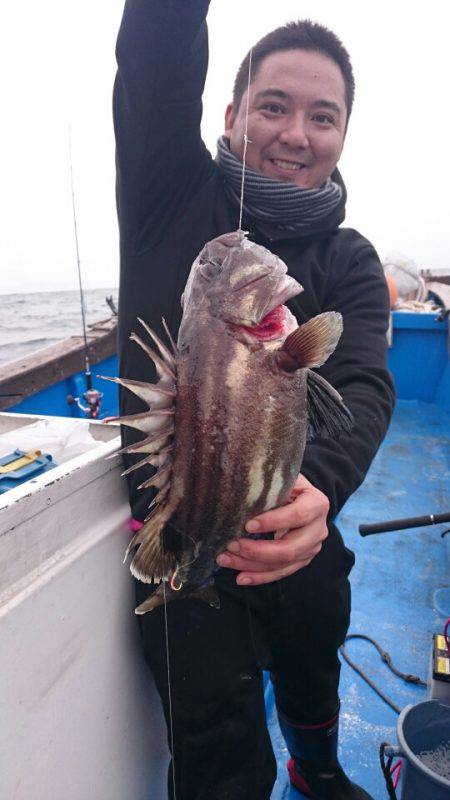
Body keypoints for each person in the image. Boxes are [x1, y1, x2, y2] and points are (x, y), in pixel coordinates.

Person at [113, 2, 395, 799]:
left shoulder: (348, 257)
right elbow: (155, 60)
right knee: (215, 742)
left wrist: (321, 492)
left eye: (322, 116)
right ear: (232, 114)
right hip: (182, 525)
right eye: (273, 105)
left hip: (297, 520)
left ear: (343, 135)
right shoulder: (166, 193)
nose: (296, 134)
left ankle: (318, 763)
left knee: (315, 649)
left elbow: (367, 382)